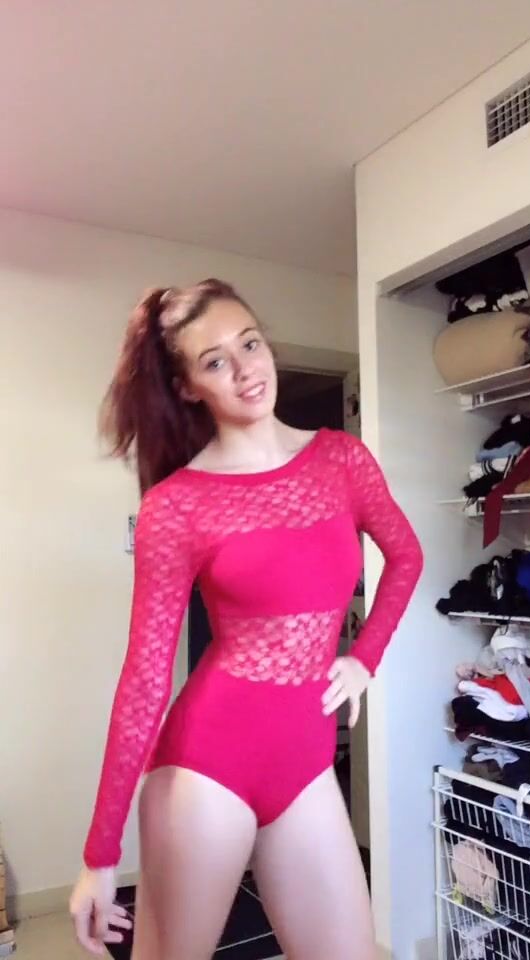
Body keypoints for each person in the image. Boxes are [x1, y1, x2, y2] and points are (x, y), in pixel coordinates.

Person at [69, 279, 423, 959]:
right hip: (207, 768)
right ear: (188, 387)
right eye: (215, 361)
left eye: (250, 344)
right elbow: (145, 680)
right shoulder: (177, 507)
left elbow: (407, 556)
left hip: (306, 765)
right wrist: (100, 856)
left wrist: (364, 658)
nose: (245, 369)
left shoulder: (342, 459)